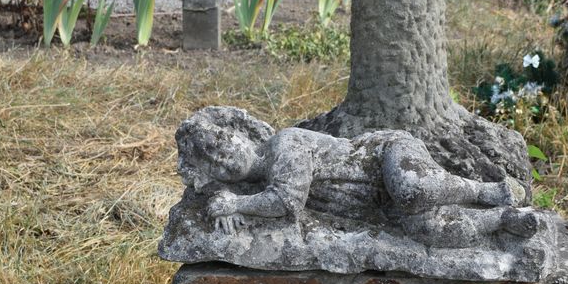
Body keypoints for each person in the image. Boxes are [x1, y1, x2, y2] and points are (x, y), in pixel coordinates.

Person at [174, 107, 534, 248]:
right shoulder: (256, 183)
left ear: (240, 132)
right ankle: (502, 220)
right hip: (375, 205)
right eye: (215, 162)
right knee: (430, 231)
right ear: (214, 175)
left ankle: (490, 191)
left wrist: (236, 203)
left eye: (222, 143)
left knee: (411, 188)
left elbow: (286, 203)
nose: (225, 156)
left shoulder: (285, 143)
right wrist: (228, 205)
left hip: (382, 158)